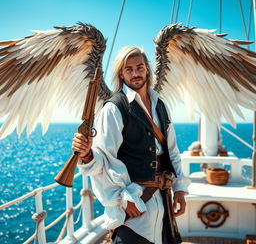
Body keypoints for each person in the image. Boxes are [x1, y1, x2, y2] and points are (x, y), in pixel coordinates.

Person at [72, 47, 190, 244]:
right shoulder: (113, 108)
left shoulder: (160, 105)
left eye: (139, 67)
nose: (135, 73)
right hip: (134, 212)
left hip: (164, 208)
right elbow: (104, 160)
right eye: (129, 69)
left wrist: (179, 189)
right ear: (121, 73)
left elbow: (173, 152)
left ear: (147, 69)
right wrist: (122, 199)